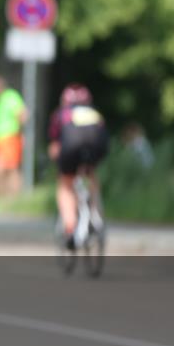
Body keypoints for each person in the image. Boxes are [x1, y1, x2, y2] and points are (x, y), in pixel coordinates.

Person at [47, 83, 109, 250]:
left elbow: (54, 146)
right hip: (96, 148)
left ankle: (70, 227)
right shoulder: (95, 113)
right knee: (91, 174)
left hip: (71, 148)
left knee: (65, 185)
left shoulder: (62, 114)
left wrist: (57, 164)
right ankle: (95, 213)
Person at [0, 74, 28, 196]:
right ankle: (4, 196)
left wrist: (22, 133)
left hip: (10, 138)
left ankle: (14, 197)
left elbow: (22, 114)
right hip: (0, 140)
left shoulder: (10, 96)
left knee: (10, 168)